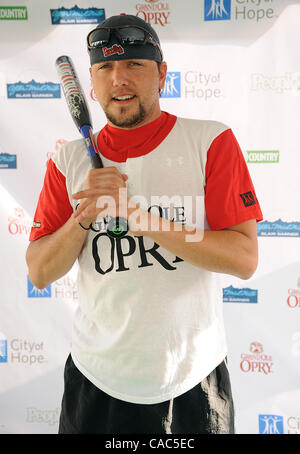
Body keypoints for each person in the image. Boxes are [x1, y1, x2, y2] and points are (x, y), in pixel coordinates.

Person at [26, 14, 263, 434]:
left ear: (162, 75)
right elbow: (40, 271)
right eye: (105, 69)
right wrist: (85, 216)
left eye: (134, 64)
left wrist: (138, 216)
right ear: (93, 86)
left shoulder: (209, 141)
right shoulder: (67, 162)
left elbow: (243, 259)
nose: (119, 79)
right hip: (96, 380)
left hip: (193, 381)